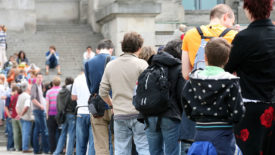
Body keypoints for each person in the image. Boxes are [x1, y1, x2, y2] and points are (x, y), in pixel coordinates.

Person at [224, 0, 275, 154]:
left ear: (247, 9)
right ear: (270, 9)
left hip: (251, 107)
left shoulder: (243, 37)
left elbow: (227, 69)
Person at [182, 38, 245, 155]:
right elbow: (238, 111)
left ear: (205, 57)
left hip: (200, 133)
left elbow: (187, 106)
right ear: (227, 59)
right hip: (223, 136)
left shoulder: (192, 80)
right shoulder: (231, 82)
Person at [99, 32, 150, 155]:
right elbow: (149, 89)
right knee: (143, 148)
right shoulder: (142, 64)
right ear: (139, 48)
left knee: (121, 150)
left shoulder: (111, 65)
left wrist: (112, 105)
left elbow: (102, 92)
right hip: (139, 114)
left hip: (119, 113)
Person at [141, 39, 185, 155]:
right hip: (170, 116)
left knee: (154, 152)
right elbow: (182, 97)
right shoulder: (178, 68)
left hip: (150, 115)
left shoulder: (151, 65)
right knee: (172, 152)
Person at [181, 4, 237, 80]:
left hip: (198, 88)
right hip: (225, 87)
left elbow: (186, 74)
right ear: (225, 17)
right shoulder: (234, 36)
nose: (231, 26)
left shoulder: (190, 34)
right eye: (232, 23)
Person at [84, 39, 115, 155]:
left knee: (100, 145)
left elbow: (90, 85)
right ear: (111, 49)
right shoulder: (115, 60)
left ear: (98, 49)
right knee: (117, 142)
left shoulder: (89, 62)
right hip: (114, 105)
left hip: (97, 105)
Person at [71, 69, 95, 155]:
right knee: (93, 143)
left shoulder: (77, 79)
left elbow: (73, 97)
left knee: (80, 143)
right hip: (93, 113)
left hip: (81, 112)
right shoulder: (95, 77)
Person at [54, 77, 76, 155]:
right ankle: (69, 153)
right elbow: (74, 103)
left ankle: (56, 152)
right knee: (71, 135)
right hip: (71, 114)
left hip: (63, 115)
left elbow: (57, 104)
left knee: (63, 134)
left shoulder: (61, 91)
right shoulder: (71, 91)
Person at [31, 72, 50, 154]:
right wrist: (41, 106)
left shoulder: (40, 86)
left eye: (41, 77)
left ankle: (37, 150)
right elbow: (33, 99)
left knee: (38, 130)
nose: (40, 79)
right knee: (43, 131)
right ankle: (45, 150)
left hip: (39, 110)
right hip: (38, 110)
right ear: (36, 78)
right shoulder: (34, 86)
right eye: (38, 77)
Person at [16, 82, 33, 153]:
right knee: (26, 133)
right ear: (27, 88)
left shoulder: (20, 96)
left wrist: (19, 114)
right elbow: (26, 106)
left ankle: (25, 147)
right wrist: (21, 114)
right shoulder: (28, 97)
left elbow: (16, 107)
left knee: (24, 132)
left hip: (22, 117)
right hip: (27, 117)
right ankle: (25, 148)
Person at [46, 77, 61, 153]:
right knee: (60, 132)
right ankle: (59, 149)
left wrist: (47, 114)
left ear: (53, 83)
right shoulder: (61, 90)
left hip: (51, 114)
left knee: (51, 133)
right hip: (60, 115)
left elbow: (47, 104)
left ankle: (52, 150)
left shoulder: (49, 92)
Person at [4, 85, 19, 151]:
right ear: (15, 91)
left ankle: (11, 146)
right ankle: (10, 146)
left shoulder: (11, 97)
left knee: (12, 132)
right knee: (11, 132)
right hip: (10, 116)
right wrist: (9, 115)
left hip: (12, 115)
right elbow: (6, 107)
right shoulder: (9, 97)